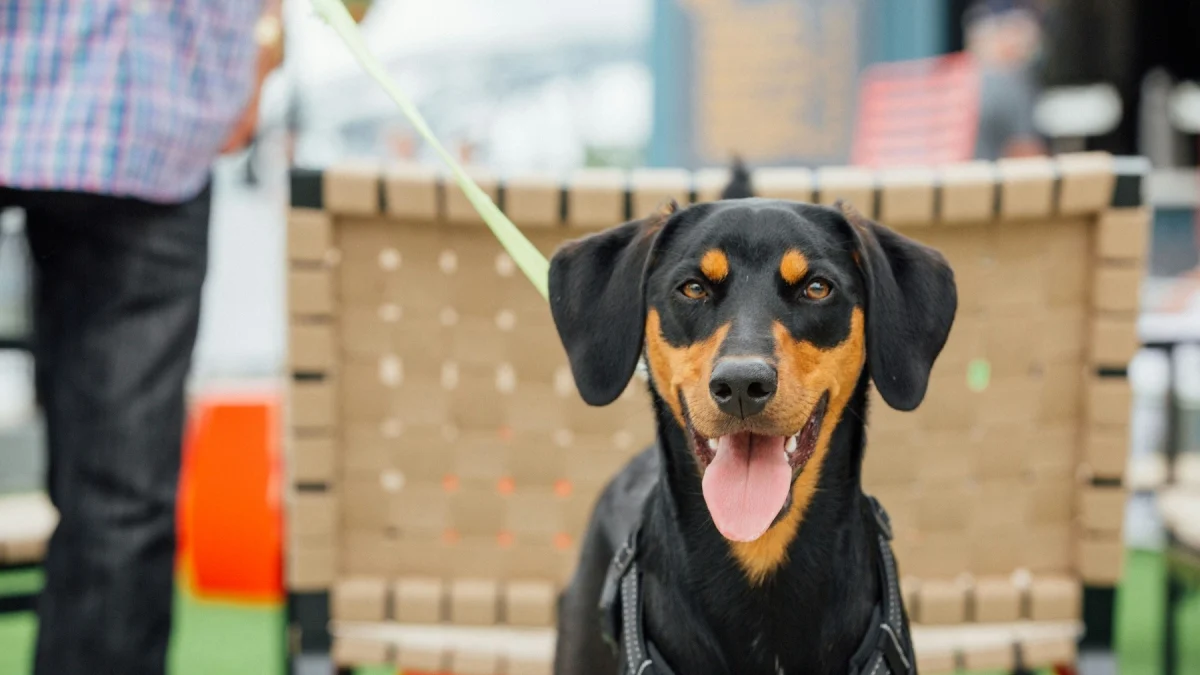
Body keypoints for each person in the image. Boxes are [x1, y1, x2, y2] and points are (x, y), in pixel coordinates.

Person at [0, 2, 281, 673]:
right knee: (121, 511)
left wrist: (266, 36)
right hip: (156, 98)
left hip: (162, 112)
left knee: (123, 514)